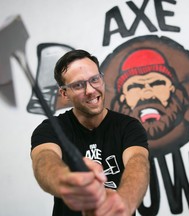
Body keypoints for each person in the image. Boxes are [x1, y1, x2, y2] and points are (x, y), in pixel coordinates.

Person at [30, 49, 150, 216]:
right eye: (78, 85)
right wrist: (65, 180)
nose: (91, 90)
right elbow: (43, 161)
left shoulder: (129, 127)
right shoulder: (50, 129)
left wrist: (124, 202)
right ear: (64, 93)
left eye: (94, 79)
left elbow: (138, 163)